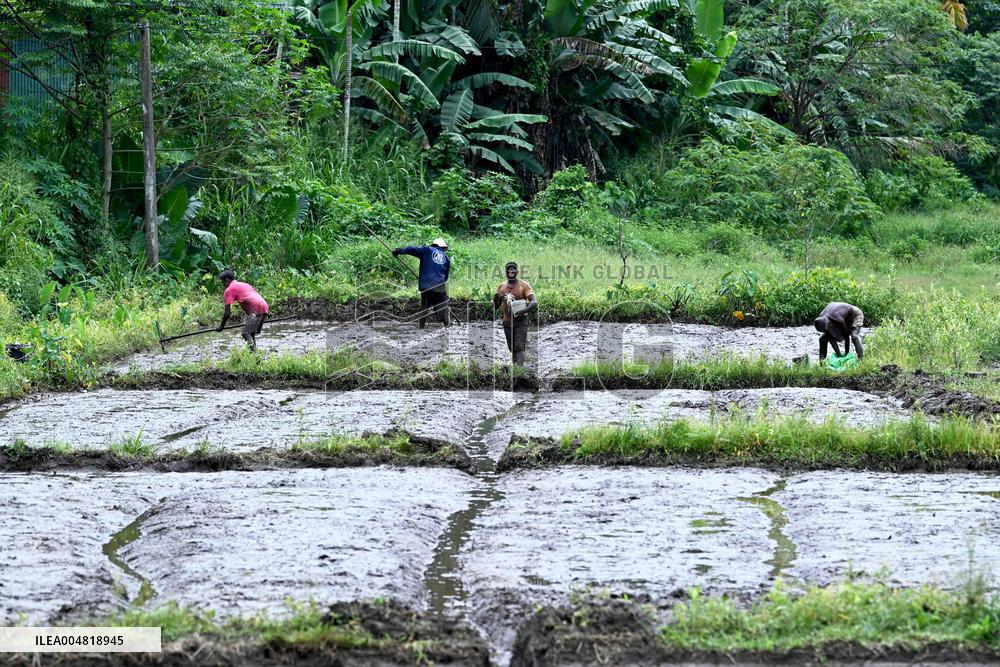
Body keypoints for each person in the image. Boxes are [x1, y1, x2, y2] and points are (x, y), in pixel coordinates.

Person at [392, 238, 451, 328]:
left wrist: (399, 251)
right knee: (442, 305)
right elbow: (446, 276)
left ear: (434, 245)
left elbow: (411, 249)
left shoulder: (427, 250)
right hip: (439, 286)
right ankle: (446, 325)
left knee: (425, 305)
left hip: (426, 285)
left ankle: (421, 326)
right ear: (442, 247)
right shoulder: (446, 258)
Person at [493, 262, 537, 366]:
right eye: (509, 270)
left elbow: (534, 302)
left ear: (517, 271)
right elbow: (495, 307)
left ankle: (519, 370)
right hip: (507, 322)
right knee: (512, 348)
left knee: (520, 347)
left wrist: (523, 311)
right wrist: (496, 300)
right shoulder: (501, 287)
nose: (511, 272)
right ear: (506, 272)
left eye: (513, 270)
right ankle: (515, 369)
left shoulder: (523, 285)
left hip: (521, 321)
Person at [217, 269, 270, 351]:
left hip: (256, 308)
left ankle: (253, 353)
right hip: (264, 306)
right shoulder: (244, 284)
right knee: (251, 333)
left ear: (227, 280)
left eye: (223, 282)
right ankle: (254, 355)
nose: (223, 285)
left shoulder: (229, 289)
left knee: (246, 333)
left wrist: (221, 326)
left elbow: (227, 313)